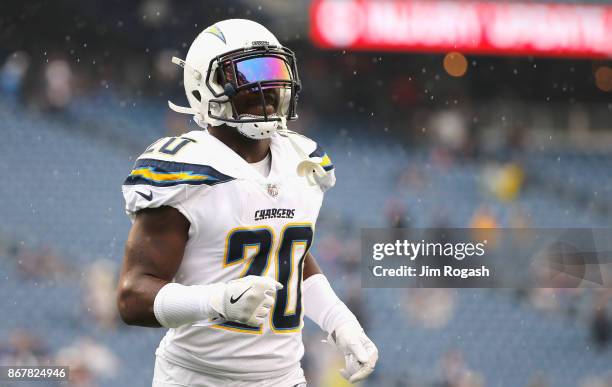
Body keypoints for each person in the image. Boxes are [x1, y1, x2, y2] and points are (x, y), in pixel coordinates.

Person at [116, 19, 378, 387]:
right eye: (248, 75)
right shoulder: (188, 172)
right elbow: (132, 298)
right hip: (197, 378)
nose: (267, 88)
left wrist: (340, 322)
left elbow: (289, 258)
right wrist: (216, 301)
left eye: (274, 73)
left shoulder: (302, 161)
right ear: (206, 86)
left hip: (284, 378)